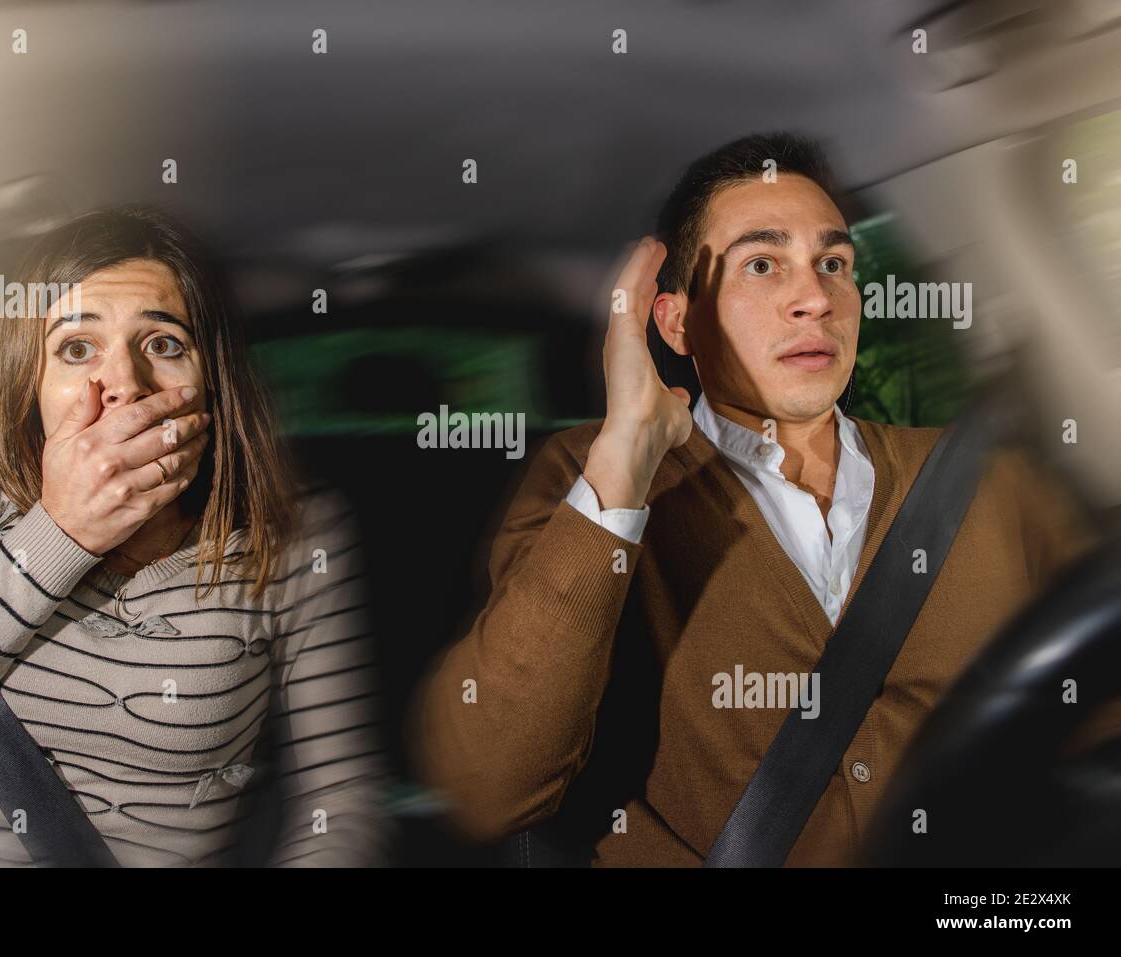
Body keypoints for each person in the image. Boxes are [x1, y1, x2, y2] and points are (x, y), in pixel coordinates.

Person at [409, 132, 1100, 866]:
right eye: (763, 264)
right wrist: (624, 463)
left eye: (833, 263)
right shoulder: (587, 477)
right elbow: (489, 787)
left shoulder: (994, 482)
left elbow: (1099, 725)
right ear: (677, 320)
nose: (815, 298)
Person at [0, 207, 389, 866]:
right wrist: (59, 535)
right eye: (77, 347)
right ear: (33, 382)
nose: (123, 384)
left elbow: (342, 795)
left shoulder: (295, 531)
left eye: (164, 344)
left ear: (215, 381)